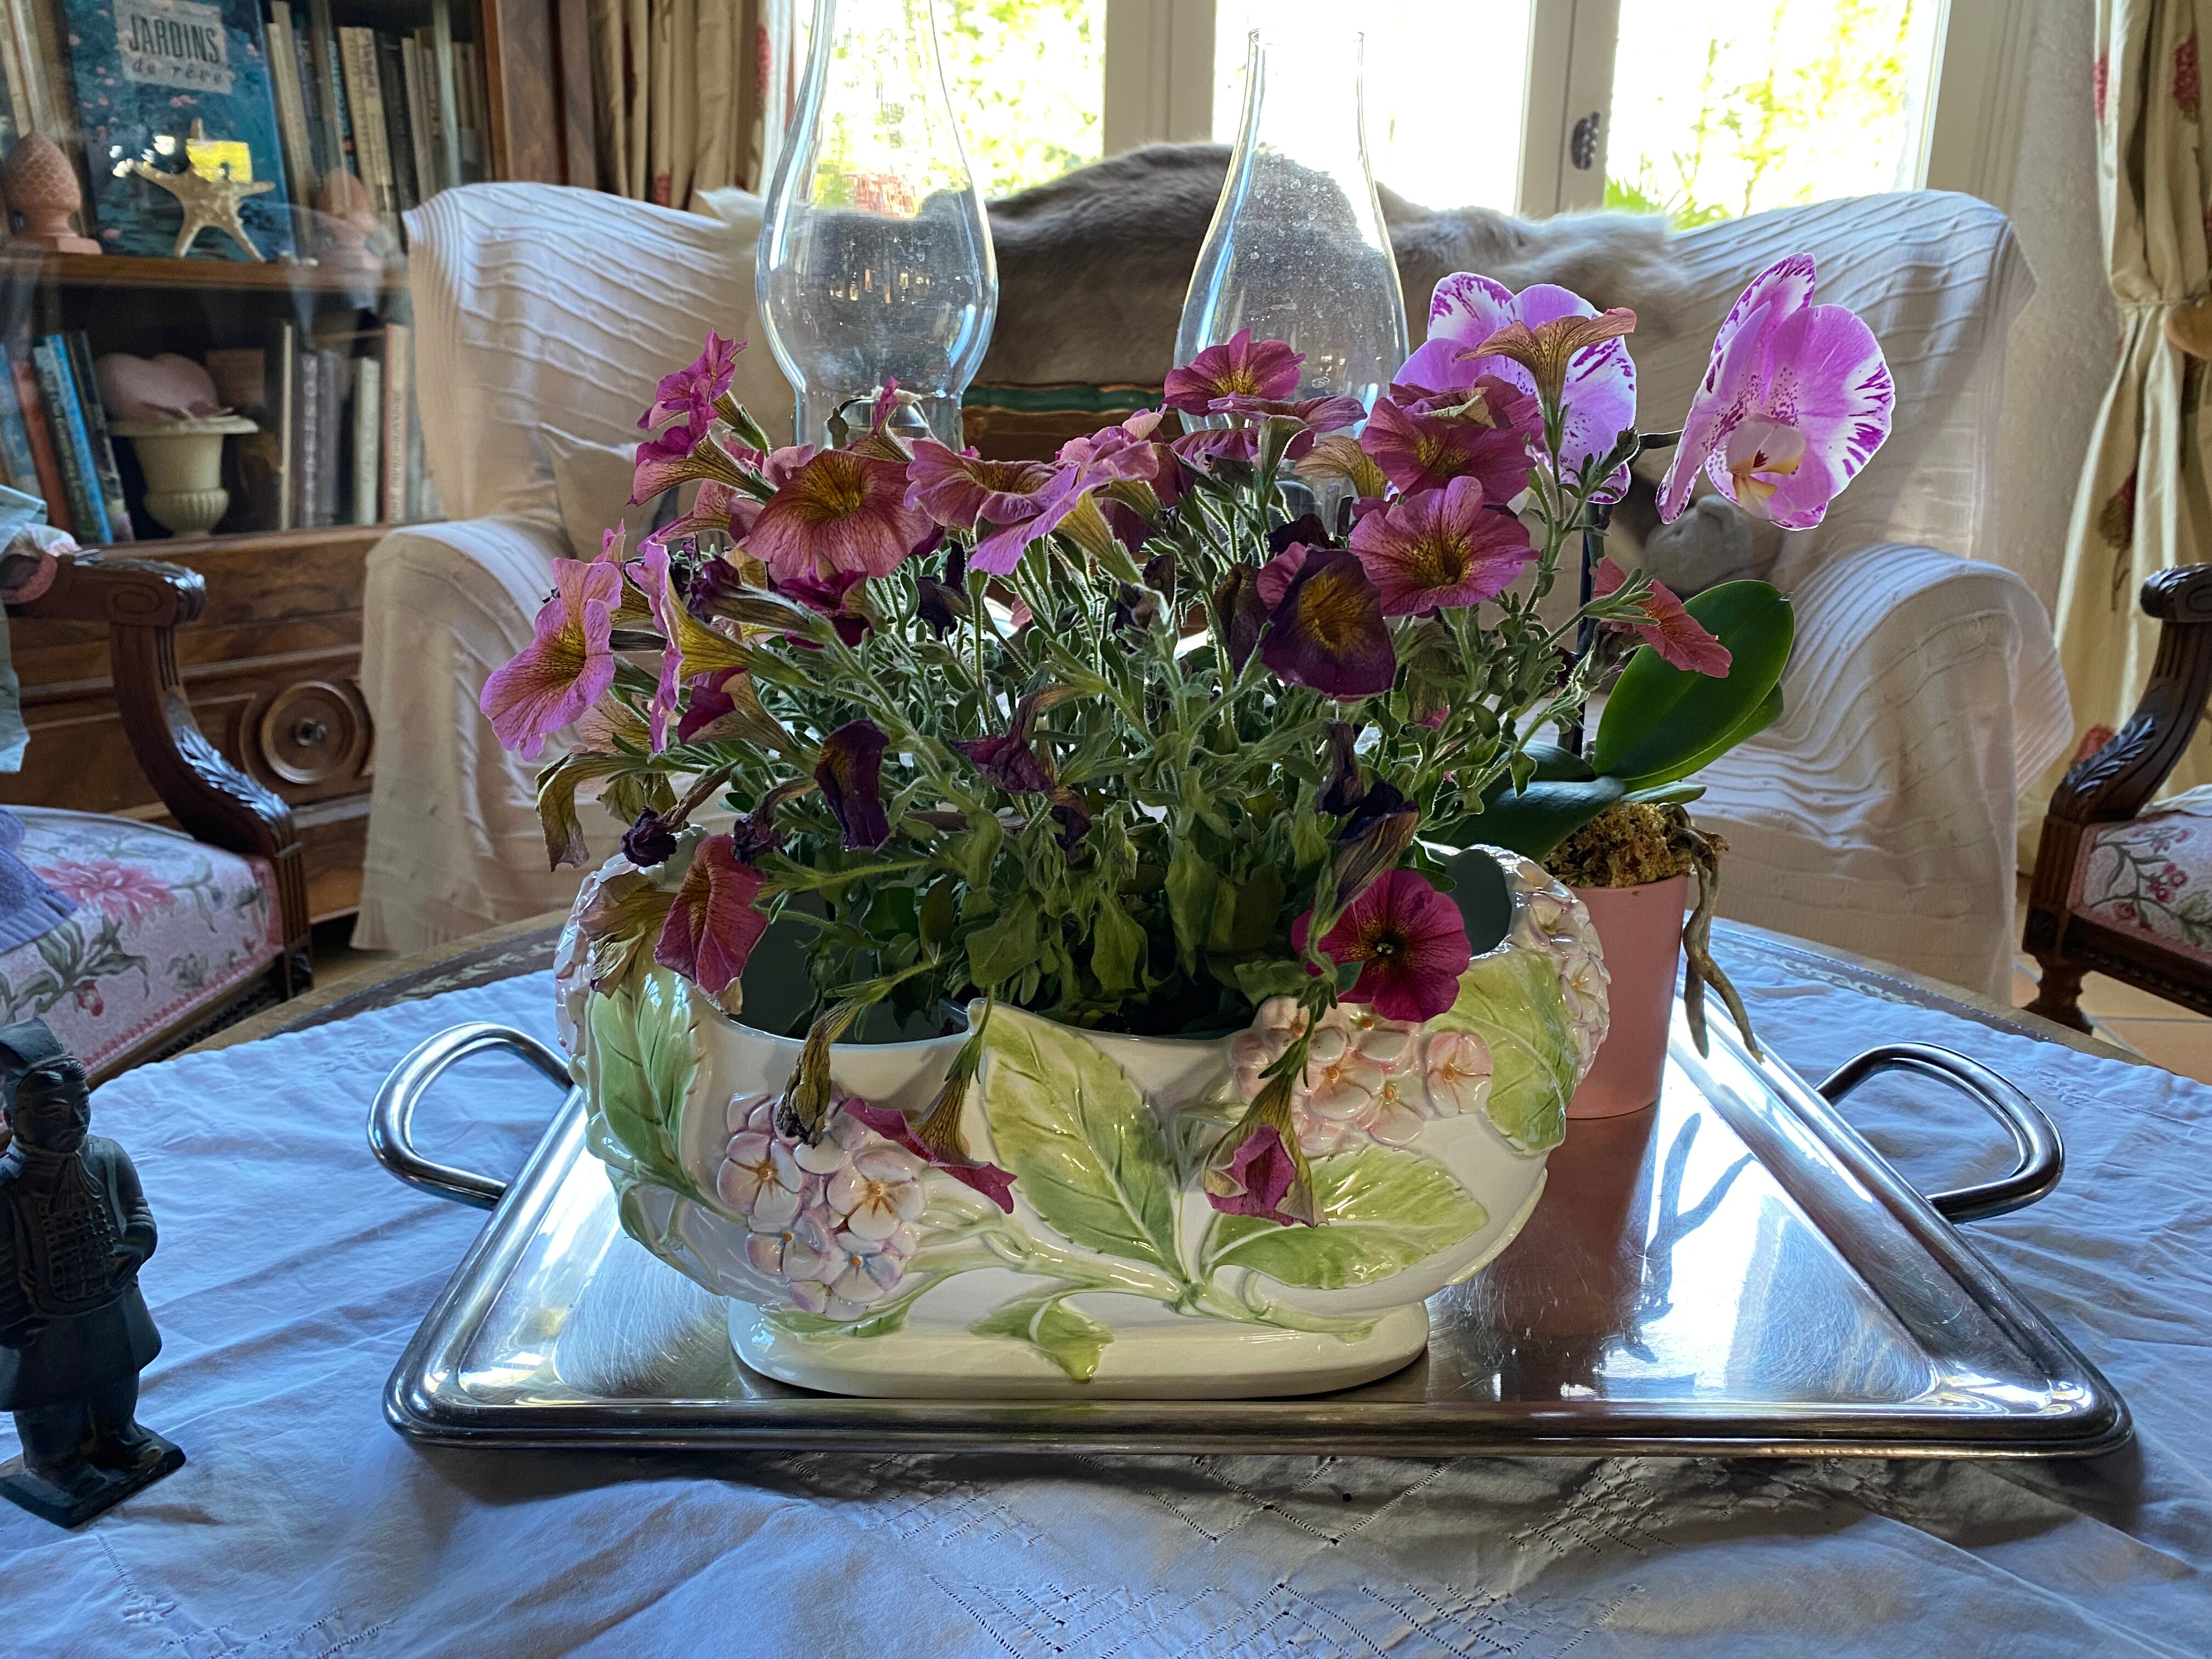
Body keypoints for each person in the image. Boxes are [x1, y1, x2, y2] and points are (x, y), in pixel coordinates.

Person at [0, 1019, 180, 1525]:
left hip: (113, 1304)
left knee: (119, 1376)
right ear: (11, 1116)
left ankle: (119, 1435)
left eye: (83, 1107)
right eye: (54, 1113)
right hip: (41, 1324)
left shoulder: (107, 1158)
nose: (75, 1122)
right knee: (50, 1400)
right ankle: (55, 1463)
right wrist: (10, 1316)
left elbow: (139, 1215)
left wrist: (134, 1247)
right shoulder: (5, 1188)